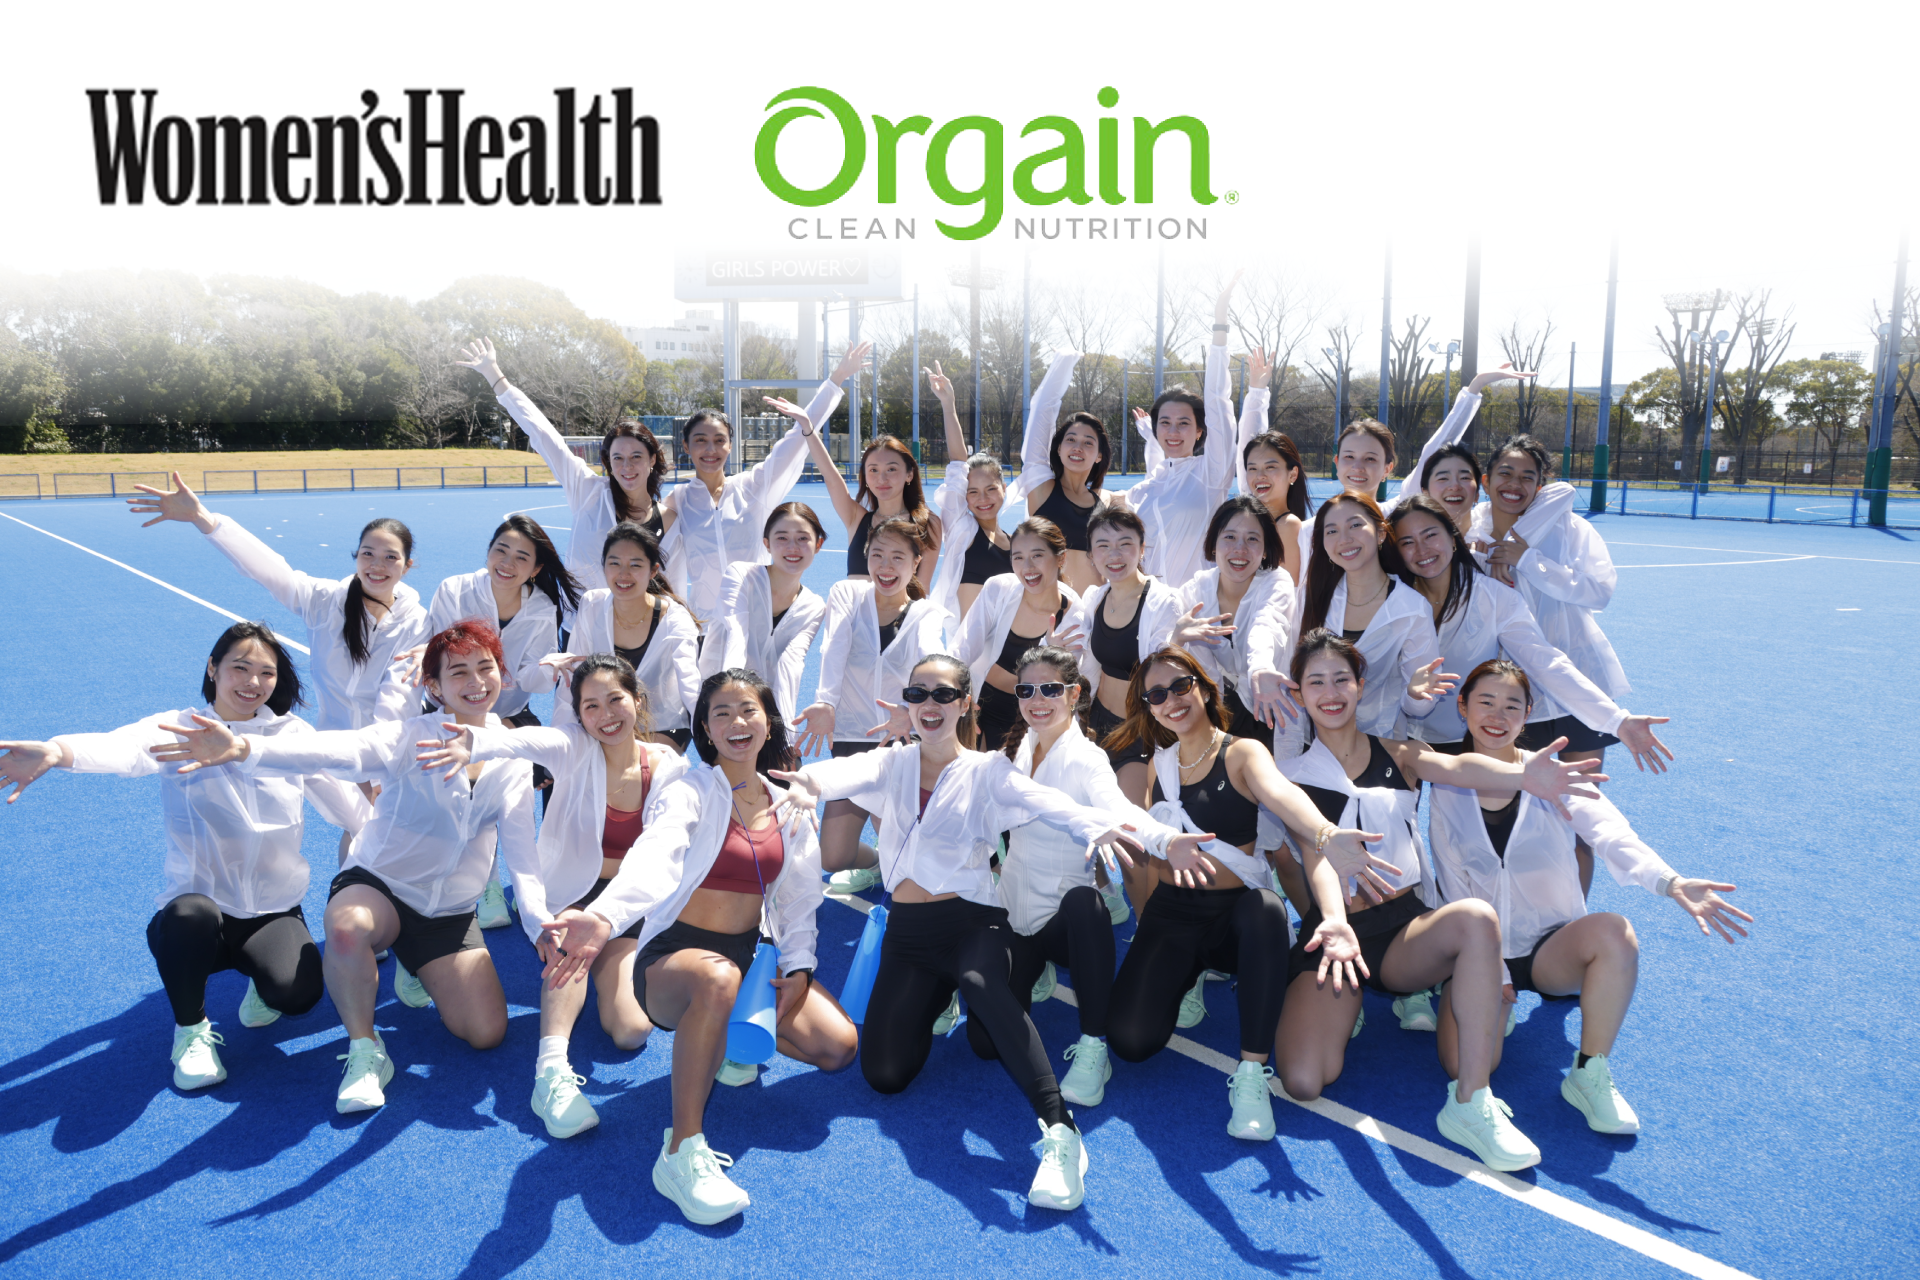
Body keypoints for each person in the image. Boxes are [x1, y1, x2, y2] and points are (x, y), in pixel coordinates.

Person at [773, 655, 1194, 1212]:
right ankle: (940, 994)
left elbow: (1060, 806)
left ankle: (1061, 1130)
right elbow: (838, 774)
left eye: (943, 694)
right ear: (907, 702)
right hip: (909, 937)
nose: (929, 705)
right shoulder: (892, 762)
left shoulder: (989, 770)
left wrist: (1156, 839)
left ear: (965, 703)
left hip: (972, 922)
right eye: (918, 694)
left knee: (979, 979)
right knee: (886, 1074)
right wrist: (807, 782)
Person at [155, 621, 535, 1113]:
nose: (476, 682)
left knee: (485, 1033)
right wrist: (244, 748)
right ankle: (365, 1048)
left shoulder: (513, 755)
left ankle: (413, 963)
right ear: (434, 687)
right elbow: (335, 751)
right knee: (348, 927)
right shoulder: (407, 738)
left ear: (502, 674)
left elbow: (522, 852)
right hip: (382, 887)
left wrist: (540, 923)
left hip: (448, 912)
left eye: (485, 668)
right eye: (458, 672)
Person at [1271, 631, 1607, 1171]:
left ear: (1360, 686)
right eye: (1316, 682)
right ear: (1300, 693)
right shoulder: (1290, 778)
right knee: (1305, 1081)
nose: (1330, 693)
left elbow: (1458, 769)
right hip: (1338, 936)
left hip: (1406, 933)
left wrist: (1523, 774)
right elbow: (1316, 860)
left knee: (1475, 918)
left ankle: (1470, 1102)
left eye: (1341, 679)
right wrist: (1334, 922)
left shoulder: (1401, 753)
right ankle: (1346, 1004)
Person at [536, 669, 859, 1225]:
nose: (737, 723)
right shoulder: (688, 790)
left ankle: (724, 1037)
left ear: (767, 721)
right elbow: (655, 856)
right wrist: (605, 916)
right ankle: (681, 1150)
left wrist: (799, 969)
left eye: (748, 710)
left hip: (748, 957)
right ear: (705, 730)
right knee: (716, 978)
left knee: (839, 1048)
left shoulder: (790, 805)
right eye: (721, 714)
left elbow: (800, 903)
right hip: (673, 959)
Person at [0, 623, 368, 1091]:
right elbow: (121, 747)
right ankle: (191, 1030)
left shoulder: (289, 736)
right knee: (188, 917)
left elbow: (349, 809)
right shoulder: (180, 728)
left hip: (271, 910)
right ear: (213, 668)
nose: (253, 682)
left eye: (266, 672)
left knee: (298, 996)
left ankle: (262, 979)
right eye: (240, 667)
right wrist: (57, 751)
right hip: (200, 909)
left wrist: (387, 851)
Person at [1427, 659, 1750, 1136]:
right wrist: (1494, 974)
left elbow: (1610, 832)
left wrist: (1670, 881)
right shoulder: (1448, 783)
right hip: (1481, 955)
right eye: (1486, 702)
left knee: (1615, 933)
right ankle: (1496, 1004)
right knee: (1462, 1066)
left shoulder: (1556, 775)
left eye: (1512, 705)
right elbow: (1452, 880)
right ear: (1462, 707)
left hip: (1551, 948)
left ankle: (1588, 1072)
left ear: (1528, 713)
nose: (1497, 716)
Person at [1098, 647, 1383, 1142]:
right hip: (1173, 916)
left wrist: (1325, 833)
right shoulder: (1156, 767)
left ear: (1205, 689)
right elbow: (1145, 853)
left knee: (1267, 910)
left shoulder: (1243, 753)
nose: (1171, 700)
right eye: (1157, 695)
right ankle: (1186, 975)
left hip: (1234, 918)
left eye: (1181, 686)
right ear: (1149, 708)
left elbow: (1282, 795)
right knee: (1131, 1042)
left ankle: (1252, 1071)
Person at [428, 654, 688, 1139]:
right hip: (572, 896)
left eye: (615, 699)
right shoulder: (571, 747)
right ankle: (550, 1072)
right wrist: (476, 741)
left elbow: (661, 852)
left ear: (637, 700)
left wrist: (606, 919)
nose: (605, 715)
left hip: (629, 903)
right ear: (578, 714)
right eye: (591, 706)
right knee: (569, 943)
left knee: (631, 1031)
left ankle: (601, 959)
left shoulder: (669, 767)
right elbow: (523, 740)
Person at [981, 645, 1160, 1108]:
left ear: (1075, 693)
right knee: (984, 1045)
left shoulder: (1088, 760)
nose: (1037, 700)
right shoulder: (1016, 747)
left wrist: (1165, 839)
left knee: (1087, 905)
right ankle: (1031, 970)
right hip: (1013, 915)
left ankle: (1094, 1044)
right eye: (1026, 691)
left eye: (1050, 689)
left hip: (1061, 921)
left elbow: (1119, 810)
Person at [1388, 494, 1672, 771]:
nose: (1422, 550)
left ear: (1453, 537)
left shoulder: (1495, 598)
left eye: (1430, 535)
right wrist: (1413, 697)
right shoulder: (1391, 599)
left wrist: (1616, 721)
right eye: (1407, 542)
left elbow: (1545, 662)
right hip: (1403, 737)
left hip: (1473, 741)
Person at [127, 474, 427, 735]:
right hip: (335, 751)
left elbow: (398, 700)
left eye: (390, 557)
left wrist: (376, 761)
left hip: (393, 755)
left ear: (407, 566)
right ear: (356, 556)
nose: (377, 565)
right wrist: (202, 518)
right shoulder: (324, 601)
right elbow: (268, 569)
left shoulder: (418, 623)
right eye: (367, 553)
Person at [403, 514, 584, 928]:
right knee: (469, 794)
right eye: (501, 550)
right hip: (452, 710)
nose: (507, 562)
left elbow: (530, 678)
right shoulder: (455, 589)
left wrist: (549, 668)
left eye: (522, 557)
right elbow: (442, 653)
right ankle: (485, 882)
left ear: (536, 568)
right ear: (488, 552)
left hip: (507, 712)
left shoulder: (542, 607)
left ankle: (540, 877)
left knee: (546, 778)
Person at [1470, 435, 1631, 894]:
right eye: (1505, 473)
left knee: (1582, 816)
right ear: (1486, 479)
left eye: (1528, 477)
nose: (1514, 484)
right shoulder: (1468, 530)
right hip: (1512, 698)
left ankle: (1572, 921)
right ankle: (1509, 919)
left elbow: (1599, 591)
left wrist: (1528, 560)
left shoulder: (1570, 528)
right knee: (1510, 819)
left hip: (1578, 686)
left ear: (1541, 487)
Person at [656, 345, 865, 620]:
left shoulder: (753, 487)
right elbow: (659, 560)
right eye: (700, 440)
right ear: (686, 446)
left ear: (730, 445)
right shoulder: (677, 501)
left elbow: (796, 438)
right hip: (704, 626)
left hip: (756, 621)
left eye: (719, 440)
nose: (710, 449)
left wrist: (837, 378)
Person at [795, 515, 949, 889]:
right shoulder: (847, 594)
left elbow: (933, 660)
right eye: (877, 554)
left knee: (910, 869)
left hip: (897, 744)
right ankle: (882, 862)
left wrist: (912, 710)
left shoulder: (926, 614)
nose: (885, 566)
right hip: (851, 739)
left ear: (916, 562)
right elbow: (834, 647)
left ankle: (920, 860)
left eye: (898, 557)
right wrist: (826, 702)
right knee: (833, 858)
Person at [457, 336, 670, 587]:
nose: (627, 466)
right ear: (608, 464)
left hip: (640, 614)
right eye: (618, 458)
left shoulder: (669, 519)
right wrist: (493, 373)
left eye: (636, 457)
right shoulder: (587, 491)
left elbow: (672, 583)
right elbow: (543, 434)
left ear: (652, 459)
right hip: (581, 613)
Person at [1288, 492, 1452, 751]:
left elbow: (1418, 706)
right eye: (1332, 531)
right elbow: (1293, 677)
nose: (1344, 539)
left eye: (1355, 525)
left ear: (1381, 533)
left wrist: (1414, 694)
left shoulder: (1411, 608)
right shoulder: (1312, 595)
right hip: (1317, 745)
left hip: (1379, 745)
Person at [773, 352, 941, 592]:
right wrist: (808, 427)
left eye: (891, 469)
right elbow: (832, 478)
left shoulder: (927, 523)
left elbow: (922, 589)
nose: (882, 478)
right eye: (873, 470)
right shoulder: (857, 519)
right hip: (854, 617)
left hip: (901, 616)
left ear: (909, 474)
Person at [1055, 507, 1186, 809]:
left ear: (1142, 548)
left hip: (1140, 728)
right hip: (1095, 722)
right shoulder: (1095, 598)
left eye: (1125, 543)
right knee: (1089, 815)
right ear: (1091, 555)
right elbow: (1079, 658)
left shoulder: (1164, 602)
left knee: (1132, 820)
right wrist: (1055, 648)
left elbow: (1166, 670)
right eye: (1103, 546)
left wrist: (1177, 642)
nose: (1114, 555)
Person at [1124, 273, 1242, 589]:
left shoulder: (1210, 473)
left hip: (1198, 608)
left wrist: (1219, 326)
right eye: (1165, 423)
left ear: (1201, 431)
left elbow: (1218, 401)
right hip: (1148, 608)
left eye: (1184, 423)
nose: (1173, 431)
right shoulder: (1145, 488)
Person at [555, 524, 700, 751]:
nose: (623, 574)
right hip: (606, 721)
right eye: (614, 563)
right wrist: (560, 741)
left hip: (662, 725)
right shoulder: (592, 605)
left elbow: (690, 683)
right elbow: (572, 676)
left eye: (635, 565)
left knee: (634, 765)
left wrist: (711, 737)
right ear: (603, 566)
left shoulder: (675, 619)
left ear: (653, 571)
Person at [951, 517, 1082, 752]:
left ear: (1061, 558)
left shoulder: (1075, 619)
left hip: (1032, 717)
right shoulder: (998, 589)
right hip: (977, 704)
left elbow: (1071, 689)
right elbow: (962, 650)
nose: (1027, 567)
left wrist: (1050, 657)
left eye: (1037, 555)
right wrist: (956, 693)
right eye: (1018, 557)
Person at [1178, 497, 1297, 749]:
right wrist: (1176, 639)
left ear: (1266, 549)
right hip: (1214, 713)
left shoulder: (1276, 582)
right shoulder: (1194, 590)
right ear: (1213, 544)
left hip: (1270, 708)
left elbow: (1267, 624)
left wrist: (1260, 667)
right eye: (1230, 537)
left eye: (1252, 539)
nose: (1240, 549)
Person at [697, 502, 830, 725]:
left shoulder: (814, 606)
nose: (792, 547)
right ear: (766, 543)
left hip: (763, 713)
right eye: (782, 538)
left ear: (818, 544)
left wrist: (783, 729)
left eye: (802, 538)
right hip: (718, 703)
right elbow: (737, 635)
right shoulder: (741, 575)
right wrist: (730, 700)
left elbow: (790, 666)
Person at [1011, 350, 1126, 596]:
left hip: (1096, 609)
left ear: (1099, 456)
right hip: (1051, 608)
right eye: (1071, 439)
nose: (1077, 447)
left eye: (1088, 443)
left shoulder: (1106, 501)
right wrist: (1064, 363)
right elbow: (1043, 411)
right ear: (1059, 448)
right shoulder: (1043, 490)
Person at [923, 359, 1023, 621]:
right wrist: (948, 405)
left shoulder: (1016, 543)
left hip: (1009, 645)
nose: (983, 498)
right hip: (969, 647)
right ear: (964, 497)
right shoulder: (961, 529)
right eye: (973, 492)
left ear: (1004, 488)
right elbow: (957, 463)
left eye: (990, 489)